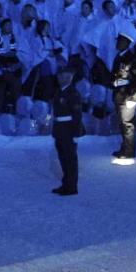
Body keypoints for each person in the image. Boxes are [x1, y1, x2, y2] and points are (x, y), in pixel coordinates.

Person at [109, 32, 136, 163]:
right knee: (122, 123)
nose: (117, 44)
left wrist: (129, 91)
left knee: (128, 123)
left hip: (128, 95)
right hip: (119, 94)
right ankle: (125, 147)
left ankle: (129, 151)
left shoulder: (132, 58)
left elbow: (134, 78)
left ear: (126, 43)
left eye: (120, 41)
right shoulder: (119, 57)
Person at [50, 66, 80, 197]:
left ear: (71, 77)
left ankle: (71, 186)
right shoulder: (59, 92)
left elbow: (77, 115)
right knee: (63, 158)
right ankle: (66, 183)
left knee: (70, 159)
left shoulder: (73, 93)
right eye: (60, 75)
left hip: (69, 129)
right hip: (60, 129)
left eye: (66, 75)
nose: (62, 78)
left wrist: (76, 133)